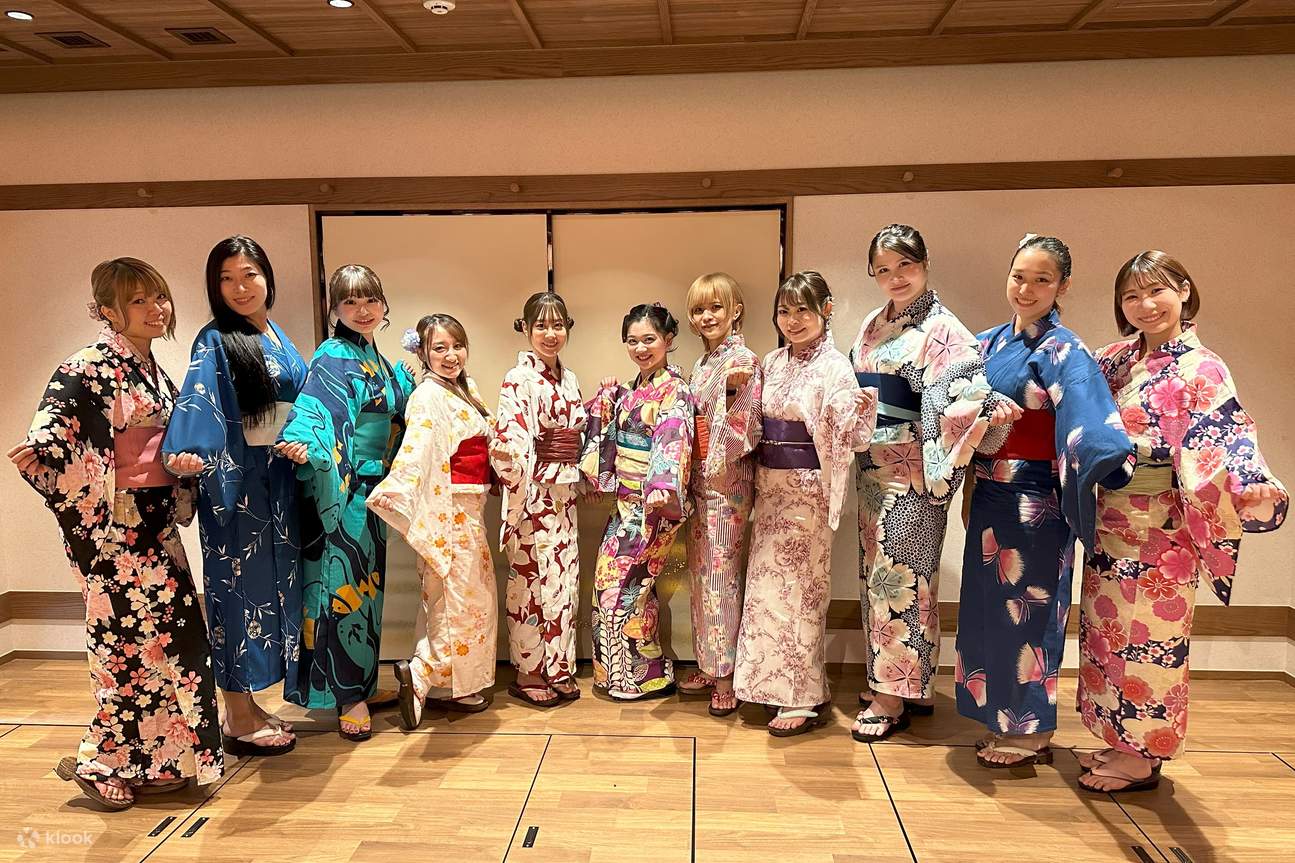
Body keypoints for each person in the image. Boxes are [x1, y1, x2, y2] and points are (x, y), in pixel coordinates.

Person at [9, 258, 222, 809]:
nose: (156, 309)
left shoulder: (153, 367)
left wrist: (179, 468)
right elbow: (46, 443)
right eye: (137, 301)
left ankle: (154, 763)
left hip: (155, 530)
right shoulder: (87, 366)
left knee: (175, 644)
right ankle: (98, 760)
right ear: (106, 309)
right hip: (115, 535)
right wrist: (103, 478)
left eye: (160, 297)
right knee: (125, 650)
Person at [1076, 250, 1287, 792]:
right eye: (1131, 296)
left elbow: (1229, 435)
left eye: (1158, 291)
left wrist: (1249, 481)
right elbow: (1078, 405)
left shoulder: (1202, 367)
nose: (1145, 305)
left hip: (1163, 526)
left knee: (1151, 636)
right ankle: (1117, 740)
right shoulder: (1117, 359)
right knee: (1107, 633)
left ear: (1185, 292)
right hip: (1111, 519)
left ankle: (1144, 755)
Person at [954, 234, 1134, 768]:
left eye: (1042, 279)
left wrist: (1108, 460)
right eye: (1019, 276)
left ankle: (1030, 729)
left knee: (1029, 612)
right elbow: (959, 413)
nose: (1026, 288)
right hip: (988, 491)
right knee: (988, 607)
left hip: (1037, 502)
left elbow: (1089, 420)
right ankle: (998, 716)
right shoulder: (984, 344)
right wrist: (968, 468)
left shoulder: (1064, 349)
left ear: (1062, 286)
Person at [850, 224, 1019, 742]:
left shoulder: (946, 331)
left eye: (906, 266)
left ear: (925, 265)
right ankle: (902, 680)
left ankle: (892, 694)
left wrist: (979, 410)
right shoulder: (872, 326)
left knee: (902, 578)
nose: (896, 278)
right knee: (877, 575)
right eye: (884, 269)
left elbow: (960, 399)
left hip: (916, 474)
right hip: (874, 473)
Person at [162, 235, 307, 757]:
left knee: (271, 594)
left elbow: (292, 406)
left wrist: (298, 443)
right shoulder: (214, 339)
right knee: (236, 594)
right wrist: (190, 455)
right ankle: (236, 713)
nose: (239, 288)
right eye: (226, 278)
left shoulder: (276, 335)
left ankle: (247, 701)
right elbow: (200, 402)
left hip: (279, 483)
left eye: (248, 275)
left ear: (268, 277)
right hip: (239, 486)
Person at [732, 271, 876, 736]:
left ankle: (802, 695)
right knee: (765, 590)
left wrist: (847, 413)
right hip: (770, 487)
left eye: (803, 310)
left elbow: (848, 433)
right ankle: (766, 687)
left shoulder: (835, 367)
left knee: (799, 593)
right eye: (784, 311)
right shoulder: (771, 362)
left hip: (808, 490)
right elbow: (749, 423)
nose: (792, 321)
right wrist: (735, 394)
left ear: (826, 310)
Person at [277, 264, 415, 742]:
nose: (362, 310)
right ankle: (345, 694)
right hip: (345, 489)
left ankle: (359, 681)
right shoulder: (333, 356)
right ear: (333, 309)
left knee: (367, 589)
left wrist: (408, 385)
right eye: (350, 302)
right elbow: (318, 416)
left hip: (372, 492)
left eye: (370, 300)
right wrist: (307, 446)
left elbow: (399, 420)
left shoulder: (378, 358)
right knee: (341, 586)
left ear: (384, 304)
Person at [369, 314, 499, 728]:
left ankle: (447, 684)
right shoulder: (427, 396)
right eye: (439, 348)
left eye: (456, 346)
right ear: (422, 352)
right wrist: (397, 490)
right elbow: (418, 449)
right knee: (460, 601)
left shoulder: (464, 389)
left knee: (458, 601)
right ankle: (425, 672)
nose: (450, 355)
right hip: (451, 510)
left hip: (469, 507)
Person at [580, 303, 695, 701]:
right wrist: (608, 398)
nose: (641, 348)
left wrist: (662, 482)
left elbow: (672, 435)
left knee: (625, 587)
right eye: (632, 341)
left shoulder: (676, 391)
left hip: (652, 505)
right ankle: (632, 674)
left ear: (668, 340)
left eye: (649, 340)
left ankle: (639, 676)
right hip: (626, 505)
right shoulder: (633, 389)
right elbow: (608, 429)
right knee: (620, 586)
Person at [490, 292, 589, 708]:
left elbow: (580, 434)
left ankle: (559, 668)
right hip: (532, 495)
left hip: (563, 495)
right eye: (541, 326)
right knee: (531, 584)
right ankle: (530, 671)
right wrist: (521, 479)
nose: (551, 334)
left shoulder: (570, 379)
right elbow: (509, 440)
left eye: (558, 325)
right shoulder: (518, 378)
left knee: (563, 583)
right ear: (526, 329)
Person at [679, 273, 762, 718]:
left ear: (736, 309)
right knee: (701, 577)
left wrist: (714, 446)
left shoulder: (741, 360)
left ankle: (726, 677)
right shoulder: (704, 362)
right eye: (698, 309)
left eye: (716, 307)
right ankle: (710, 666)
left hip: (725, 484)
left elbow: (748, 429)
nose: (707, 316)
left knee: (721, 579)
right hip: (699, 482)